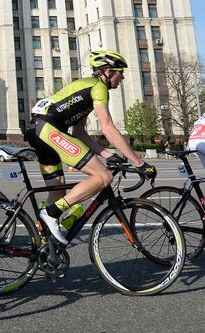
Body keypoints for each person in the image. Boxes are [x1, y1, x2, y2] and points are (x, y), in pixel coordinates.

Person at [24, 50, 156, 244]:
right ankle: (51, 213)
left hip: (38, 130)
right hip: (48, 130)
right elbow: (108, 128)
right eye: (121, 72)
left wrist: (108, 154)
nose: (123, 77)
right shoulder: (98, 87)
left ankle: (43, 245)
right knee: (103, 177)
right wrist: (139, 163)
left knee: (58, 189)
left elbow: (79, 133)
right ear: (109, 71)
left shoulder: (86, 87)